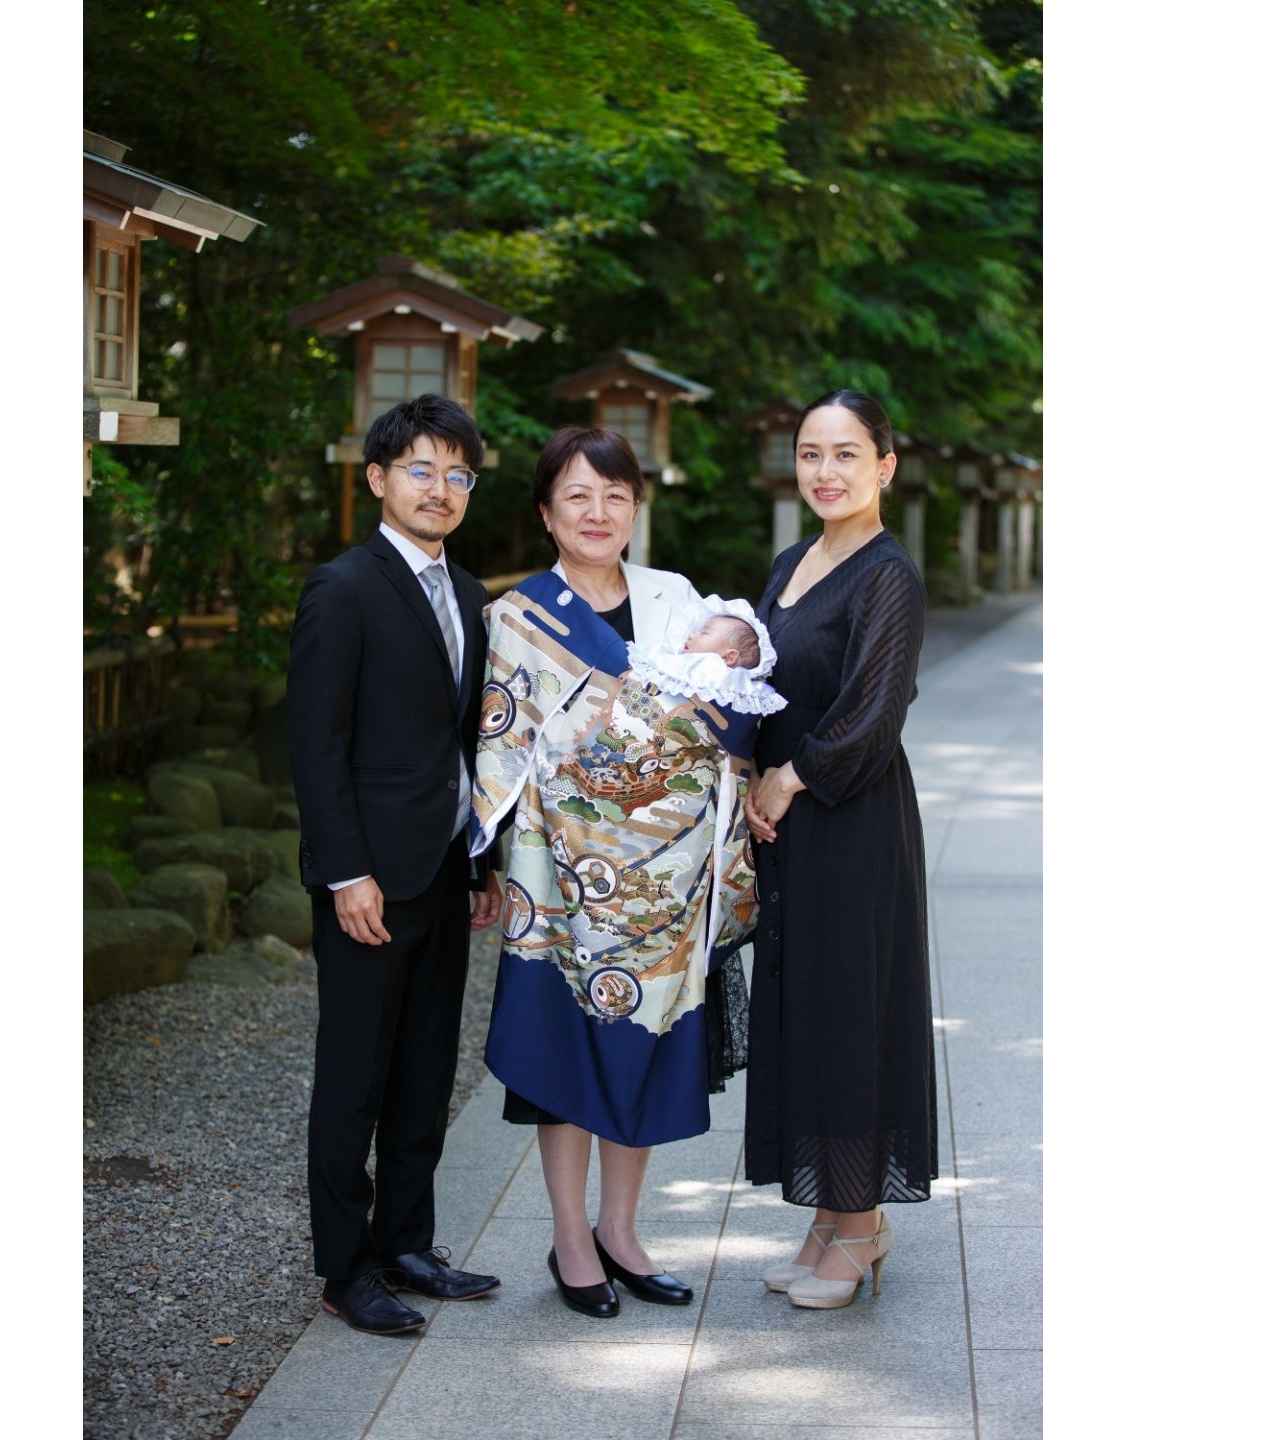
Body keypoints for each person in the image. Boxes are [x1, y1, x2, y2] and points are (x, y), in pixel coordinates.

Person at [469, 426, 755, 1319]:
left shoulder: (677, 601)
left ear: (637, 507)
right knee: (564, 1051)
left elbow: (733, 711)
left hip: (666, 883)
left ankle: (622, 1232)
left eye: (615, 496)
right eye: (578, 497)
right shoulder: (521, 616)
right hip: (560, 876)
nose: (599, 514)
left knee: (645, 1046)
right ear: (547, 513)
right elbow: (501, 744)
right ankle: (568, 1237)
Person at [286, 394, 503, 1336]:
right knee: (353, 1078)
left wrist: (482, 863)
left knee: (424, 1070)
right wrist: (345, 873)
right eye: (421, 469)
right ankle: (345, 1267)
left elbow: (469, 743)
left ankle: (408, 1240)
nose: (441, 489)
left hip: (445, 867)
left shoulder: (468, 592)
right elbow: (315, 744)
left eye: (458, 473)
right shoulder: (343, 587)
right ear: (377, 479)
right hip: (370, 880)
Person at [744, 388, 937, 1311]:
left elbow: (873, 710)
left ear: (885, 467)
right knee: (806, 1007)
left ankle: (861, 1229)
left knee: (851, 1009)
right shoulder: (793, 560)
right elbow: (758, 677)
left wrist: (789, 777)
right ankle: (826, 1215)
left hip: (850, 816)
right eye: (811, 453)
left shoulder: (888, 573)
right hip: (791, 822)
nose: (826, 471)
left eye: (847, 454)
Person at [626, 594, 787, 718]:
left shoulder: (711, 668)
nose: (691, 635)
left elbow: (660, 664)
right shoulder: (741, 687)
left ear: (729, 657)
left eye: (704, 632)